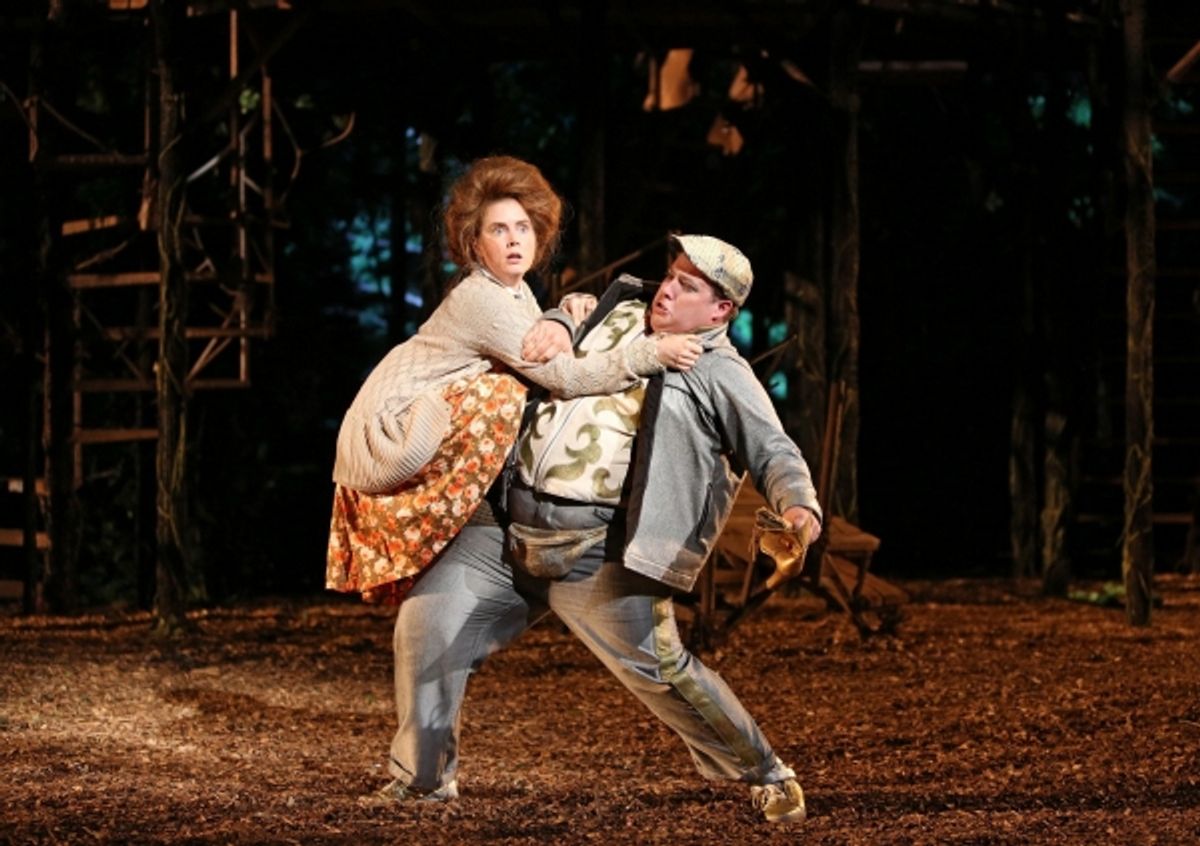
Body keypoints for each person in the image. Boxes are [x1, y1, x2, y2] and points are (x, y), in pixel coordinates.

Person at [379, 233, 822, 824]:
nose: (668, 289)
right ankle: (423, 779)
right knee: (426, 624)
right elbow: (557, 324)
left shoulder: (721, 372)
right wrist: (562, 317)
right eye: (670, 275)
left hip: (599, 552)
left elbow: (774, 451)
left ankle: (766, 772)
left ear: (720, 311)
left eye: (687, 287)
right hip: (506, 528)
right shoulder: (620, 310)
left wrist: (800, 512)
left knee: (663, 672)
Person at [327, 155, 700, 604]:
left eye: (522, 228)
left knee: (511, 384)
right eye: (497, 230)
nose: (513, 241)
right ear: (474, 244)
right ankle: (484, 516)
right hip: (390, 431)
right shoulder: (481, 299)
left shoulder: (514, 290)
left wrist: (561, 316)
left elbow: (536, 337)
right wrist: (649, 353)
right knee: (505, 391)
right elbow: (563, 378)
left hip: (411, 418)